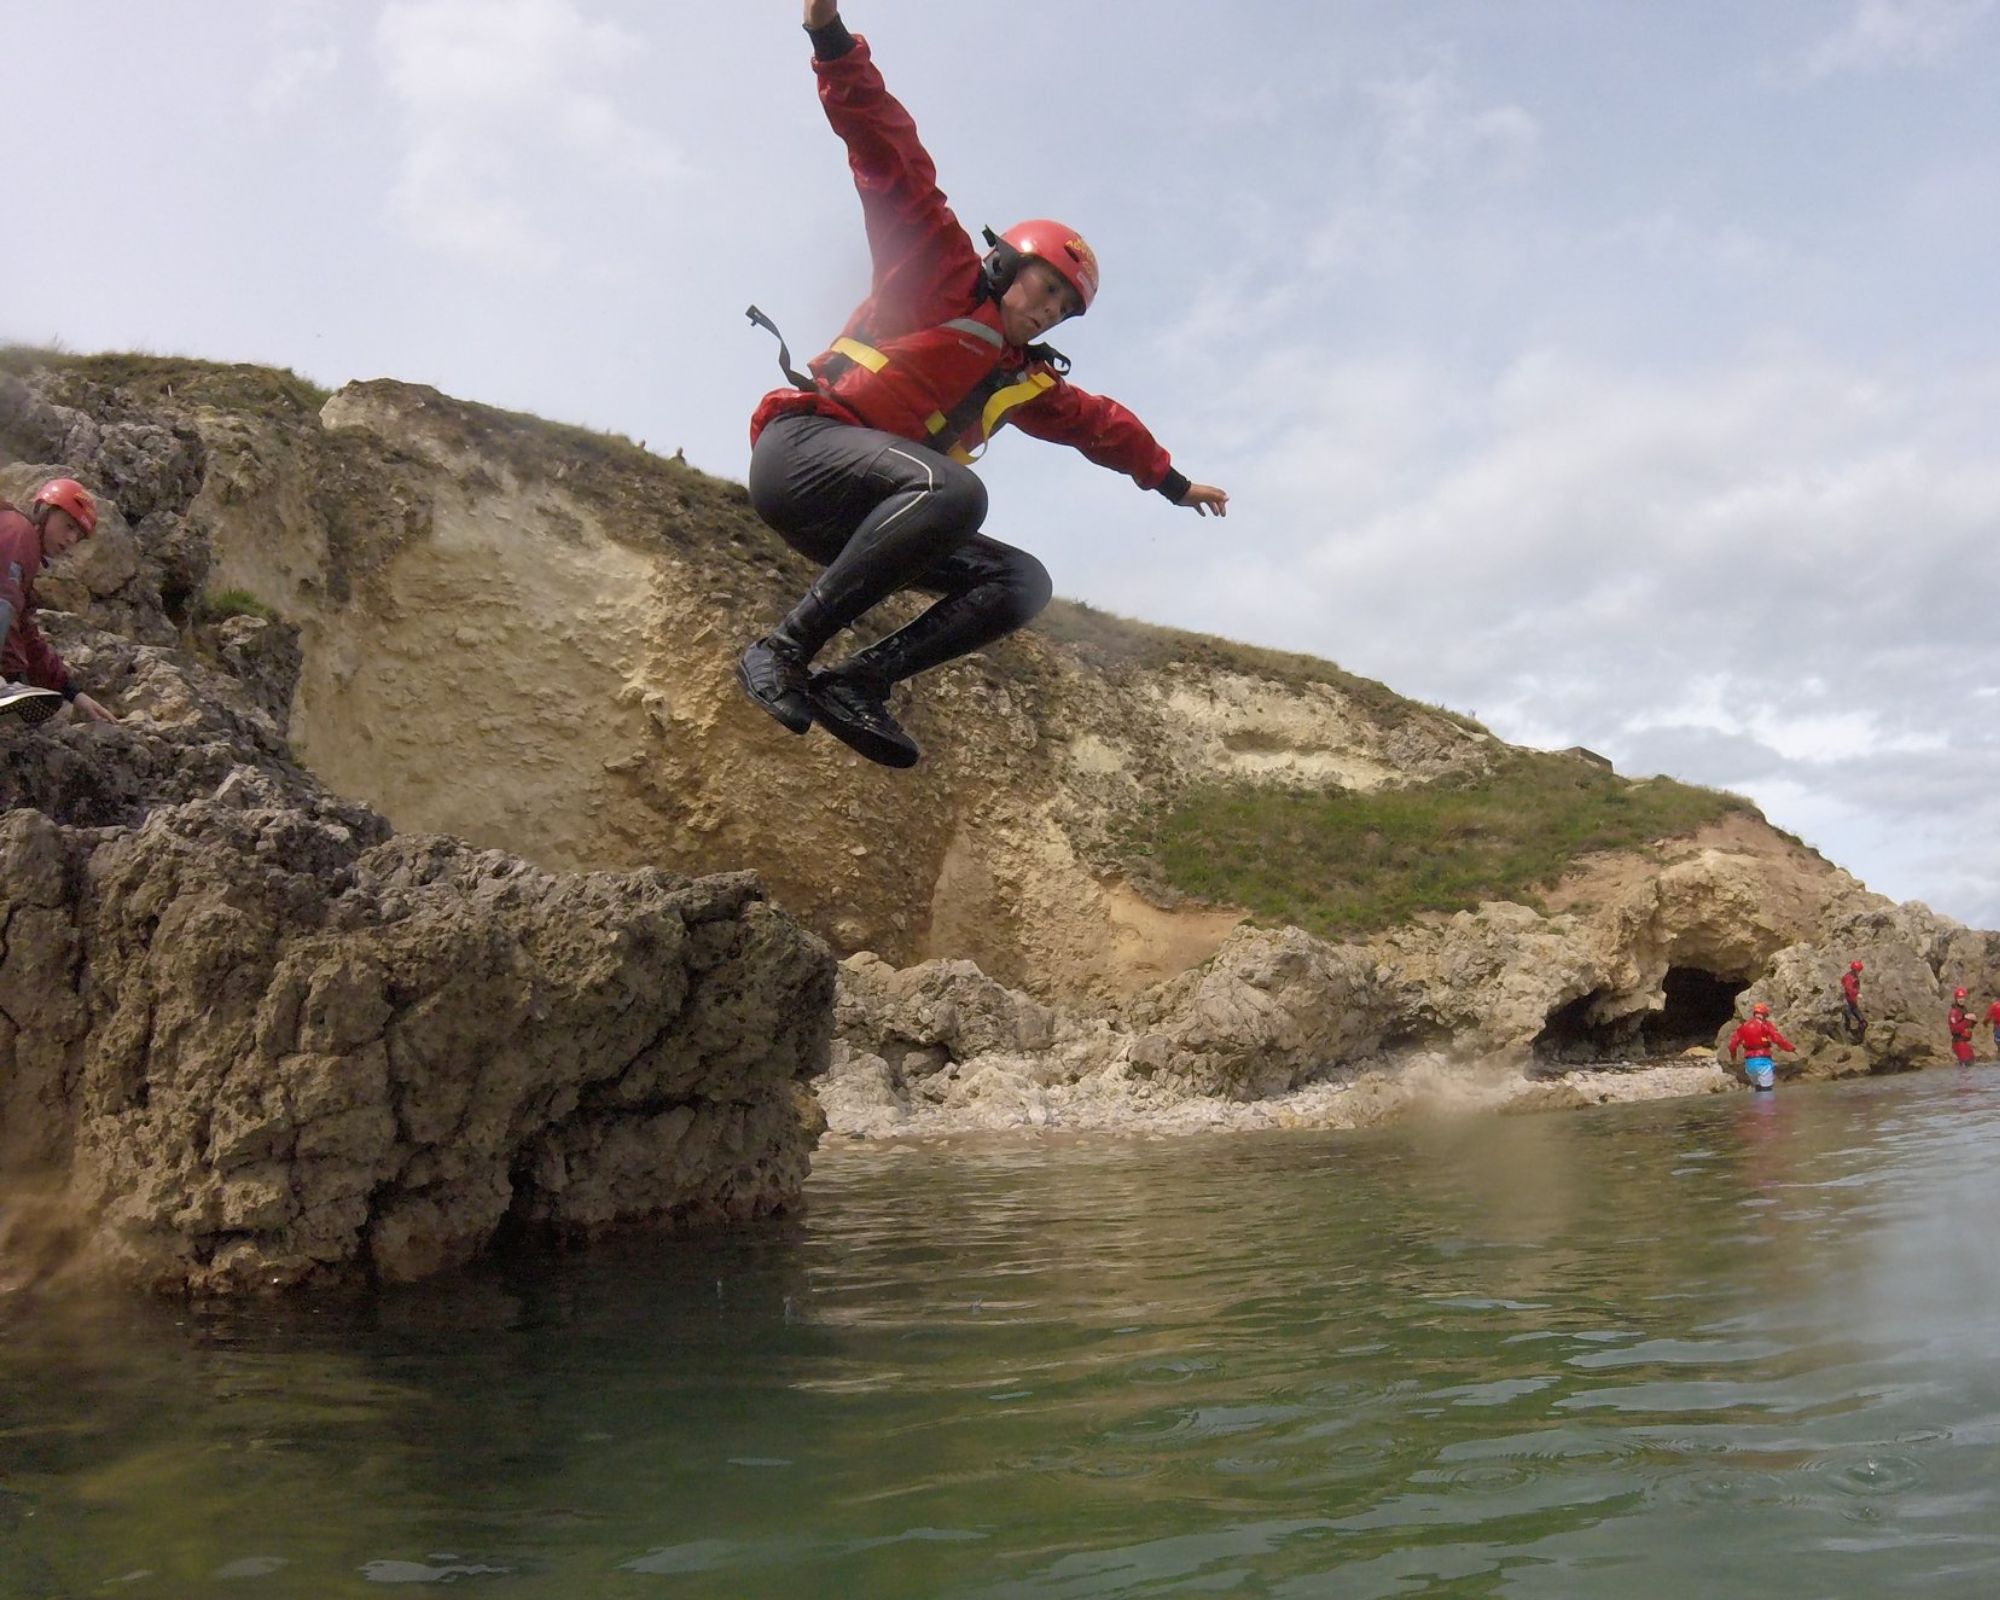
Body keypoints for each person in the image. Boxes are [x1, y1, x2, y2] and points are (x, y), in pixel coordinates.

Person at [737, 0, 1230, 769]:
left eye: (1063, 310)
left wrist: (1175, 484)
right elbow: (886, 150)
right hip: (801, 455)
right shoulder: (934, 266)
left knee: (1020, 581)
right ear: (1005, 268)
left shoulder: (1024, 381)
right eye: (1044, 290)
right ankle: (780, 651)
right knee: (957, 495)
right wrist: (828, 36)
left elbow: (1102, 426)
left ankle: (858, 683)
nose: (1047, 313)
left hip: (865, 518)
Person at [0, 479, 118, 725]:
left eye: (78, 534)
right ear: (45, 511)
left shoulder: (21, 552)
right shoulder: (18, 531)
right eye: (68, 526)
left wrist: (72, 692)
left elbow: (25, 636)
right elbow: (3, 601)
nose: (71, 539)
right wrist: (10, 679)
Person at [1726, 1001, 1795, 1093]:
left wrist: (1733, 1057)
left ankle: (1757, 1106)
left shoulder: (1744, 1026)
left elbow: (1732, 1045)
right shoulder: (1766, 1025)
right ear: (1765, 1014)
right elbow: (1778, 1039)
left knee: (1758, 1090)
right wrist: (1791, 1048)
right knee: (1767, 1092)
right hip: (1763, 1062)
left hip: (1749, 1064)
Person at [1839, 959, 1866, 1039]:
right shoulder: (1849, 978)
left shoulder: (1854, 977)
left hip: (1852, 1002)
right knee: (1850, 1020)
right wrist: (1856, 994)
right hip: (1847, 1002)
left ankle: (1858, 1037)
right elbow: (1848, 988)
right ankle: (1850, 1036)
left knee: (1862, 1021)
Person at [1948, 988, 1975, 1065]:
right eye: (1959, 998)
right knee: (1966, 1064)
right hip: (1959, 1041)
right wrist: (1966, 1019)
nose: (1961, 1000)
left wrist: (1973, 1021)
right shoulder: (1954, 1012)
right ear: (1956, 998)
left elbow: (1969, 1026)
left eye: (1962, 997)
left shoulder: (1963, 1009)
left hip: (1965, 1041)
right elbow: (1954, 1029)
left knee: (1972, 1061)